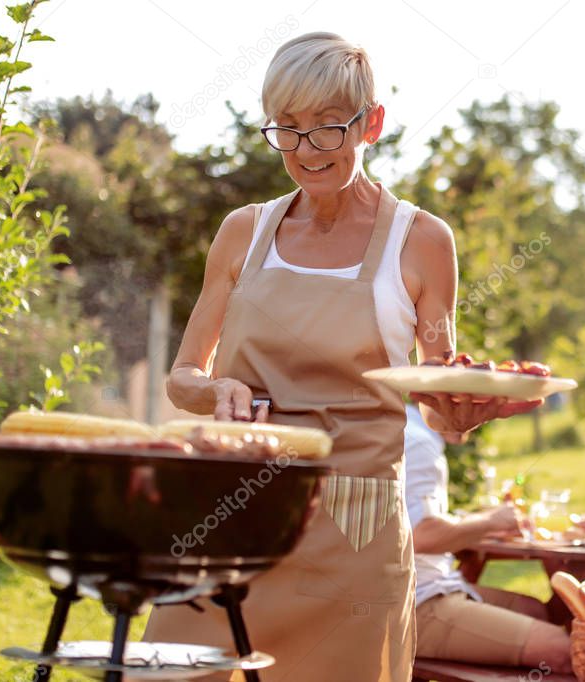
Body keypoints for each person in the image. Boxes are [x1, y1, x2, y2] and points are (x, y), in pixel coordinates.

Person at [142, 32, 539, 682]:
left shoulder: (421, 242)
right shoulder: (243, 232)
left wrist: (464, 414)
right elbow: (183, 376)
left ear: (371, 123)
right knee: (165, 673)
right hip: (231, 515)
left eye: (327, 128)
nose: (305, 150)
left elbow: (437, 396)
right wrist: (214, 392)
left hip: (356, 534)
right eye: (288, 129)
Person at [403, 403, 572, 674]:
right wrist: (491, 521)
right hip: (414, 604)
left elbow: (410, 522)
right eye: (475, 401)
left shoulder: (409, 428)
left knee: (536, 610)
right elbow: (421, 535)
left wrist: (482, 524)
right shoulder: (419, 444)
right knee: (563, 651)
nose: (481, 417)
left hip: (435, 586)